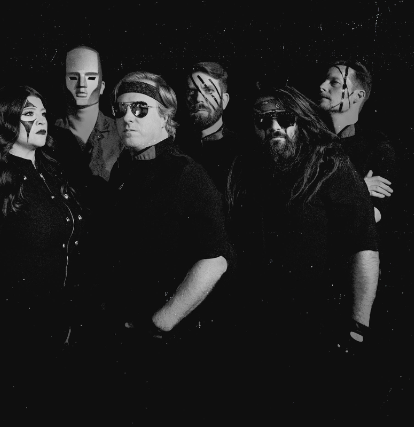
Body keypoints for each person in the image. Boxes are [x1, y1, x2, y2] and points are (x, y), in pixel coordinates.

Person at [227, 84, 380, 422]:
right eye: (263, 120)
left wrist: (358, 326)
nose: (274, 127)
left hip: (318, 329)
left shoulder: (329, 165)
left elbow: (364, 247)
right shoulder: (245, 169)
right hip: (257, 330)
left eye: (284, 118)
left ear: (301, 120)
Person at [99, 71, 232, 424]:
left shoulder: (186, 174)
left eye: (140, 109)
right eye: (121, 109)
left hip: (167, 345)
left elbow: (216, 260)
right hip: (124, 338)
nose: (128, 117)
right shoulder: (124, 169)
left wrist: (163, 321)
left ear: (165, 117)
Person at [0, 86, 85, 422]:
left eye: (43, 113)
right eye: (29, 114)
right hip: (12, 333)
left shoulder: (51, 170)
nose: (41, 120)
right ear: (7, 121)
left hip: (56, 328)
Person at [318, 59, 396, 224]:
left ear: (357, 96)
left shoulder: (377, 147)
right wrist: (359, 188)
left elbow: (370, 219)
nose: (322, 86)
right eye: (324, 80)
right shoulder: (309, 142)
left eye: (334, 82)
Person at [52, 45, 122, 184]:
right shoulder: (48, 133)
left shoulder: (120, 133)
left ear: (102, 86)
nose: (81, 84)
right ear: (62, 85)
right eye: (73, 77)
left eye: (90, 77)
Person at [178, 61, 241, 193]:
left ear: (224, 100)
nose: (198, 98)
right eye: (192, 91)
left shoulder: (242, 153)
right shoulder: (175, 147)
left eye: (208, 90)